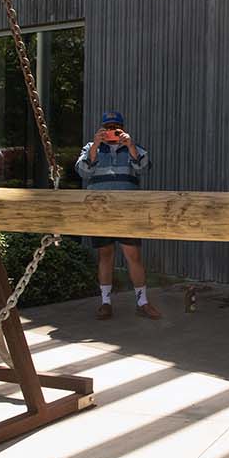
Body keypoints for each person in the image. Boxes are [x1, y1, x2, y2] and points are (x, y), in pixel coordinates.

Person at [73, 110, 159, 320]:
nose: (112, 131)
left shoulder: (133, 147)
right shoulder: (90, 147)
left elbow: (145, 167)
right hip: (100, 211)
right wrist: (94, 145)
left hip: (127, 212)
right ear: (102, 128)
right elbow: (83, 171)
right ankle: (105, 302)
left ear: (123, 128)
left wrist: (129, 146)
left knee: (134, 256)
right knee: (105, 255)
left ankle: (142, 302)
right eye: (108, 127)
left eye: (115, 127)